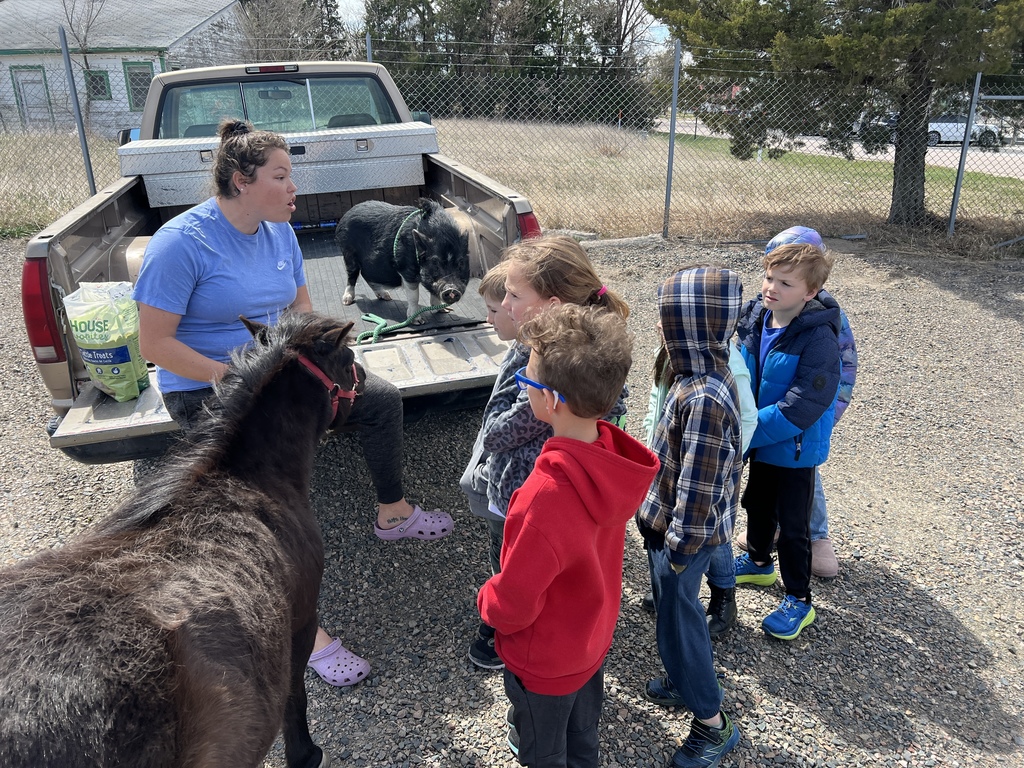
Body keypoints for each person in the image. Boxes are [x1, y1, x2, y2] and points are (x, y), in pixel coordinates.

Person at [133, 119, 453, 688]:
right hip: (211, 387)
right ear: (240, 180)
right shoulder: (180, 244)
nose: (293, 188)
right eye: (281, 176)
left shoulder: (280, 231)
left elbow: (302, 313)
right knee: (268, 501)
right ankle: (307, 637)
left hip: (285, 375)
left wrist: (334, 359)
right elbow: (156, 345)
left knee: (381, 400)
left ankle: (393, 514)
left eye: (292, 176)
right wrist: (236, 377)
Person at [477, 303, 660, 768]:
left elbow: (515, 600)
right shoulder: (610, 458)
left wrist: (487, 601)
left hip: (545, 661)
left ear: (551, 400)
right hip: (590, 640)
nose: (522, 384)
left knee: (543, 750)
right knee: (583, 739)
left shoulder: (543, 495)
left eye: (528, 378)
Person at [464, 235, 631, 670]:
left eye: (514, 295)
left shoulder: (544, 366)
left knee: (517, 562)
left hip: (523, 493)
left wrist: (491, 421)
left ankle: (509, 629)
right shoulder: (591, 348)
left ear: (551, 305)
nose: (506, 303)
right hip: (549, 491)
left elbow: (499, 433)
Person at [635, 266, 743, 768]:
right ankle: (682, 681)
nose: (660, 326)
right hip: (665, 527)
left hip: (683, 539)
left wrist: (678, 553)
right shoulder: (698, 370)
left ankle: (712, 724)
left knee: (683, 623)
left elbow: (698, 491)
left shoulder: (704, 397)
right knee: (671, 619)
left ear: (691, 325)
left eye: (668, 318)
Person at [735, 226, 858, 578]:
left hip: (793, 439)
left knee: (794, 519)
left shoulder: (821, 331)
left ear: (811, 291)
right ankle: (759, 562)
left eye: (785, 283)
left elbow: (809, 397)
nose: (773, 287)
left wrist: (749, 429)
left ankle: (799, 594)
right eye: (769, 277)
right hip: (759, 435)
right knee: (757, 503)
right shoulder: (755, 315)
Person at [640, 289, 757, 640]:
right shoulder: (671, 354)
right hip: (672, 462)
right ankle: (673, 592)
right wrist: (651, 442)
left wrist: (723, 460)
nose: (661, 326)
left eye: (670, 318)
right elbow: (655, 402)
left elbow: (748, 419)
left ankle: (724, 595)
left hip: (706, 472)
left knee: (713, 541)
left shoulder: (727, 366)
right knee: (672, 533)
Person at [459, 261, 517, 607]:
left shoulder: (531, 362)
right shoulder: (519, 352)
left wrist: (483, 475)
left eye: (494, 310)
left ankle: (504, 621)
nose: (489, 319)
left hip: (506, 499)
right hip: (501, 492)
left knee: (507, 558)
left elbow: (499, 432)